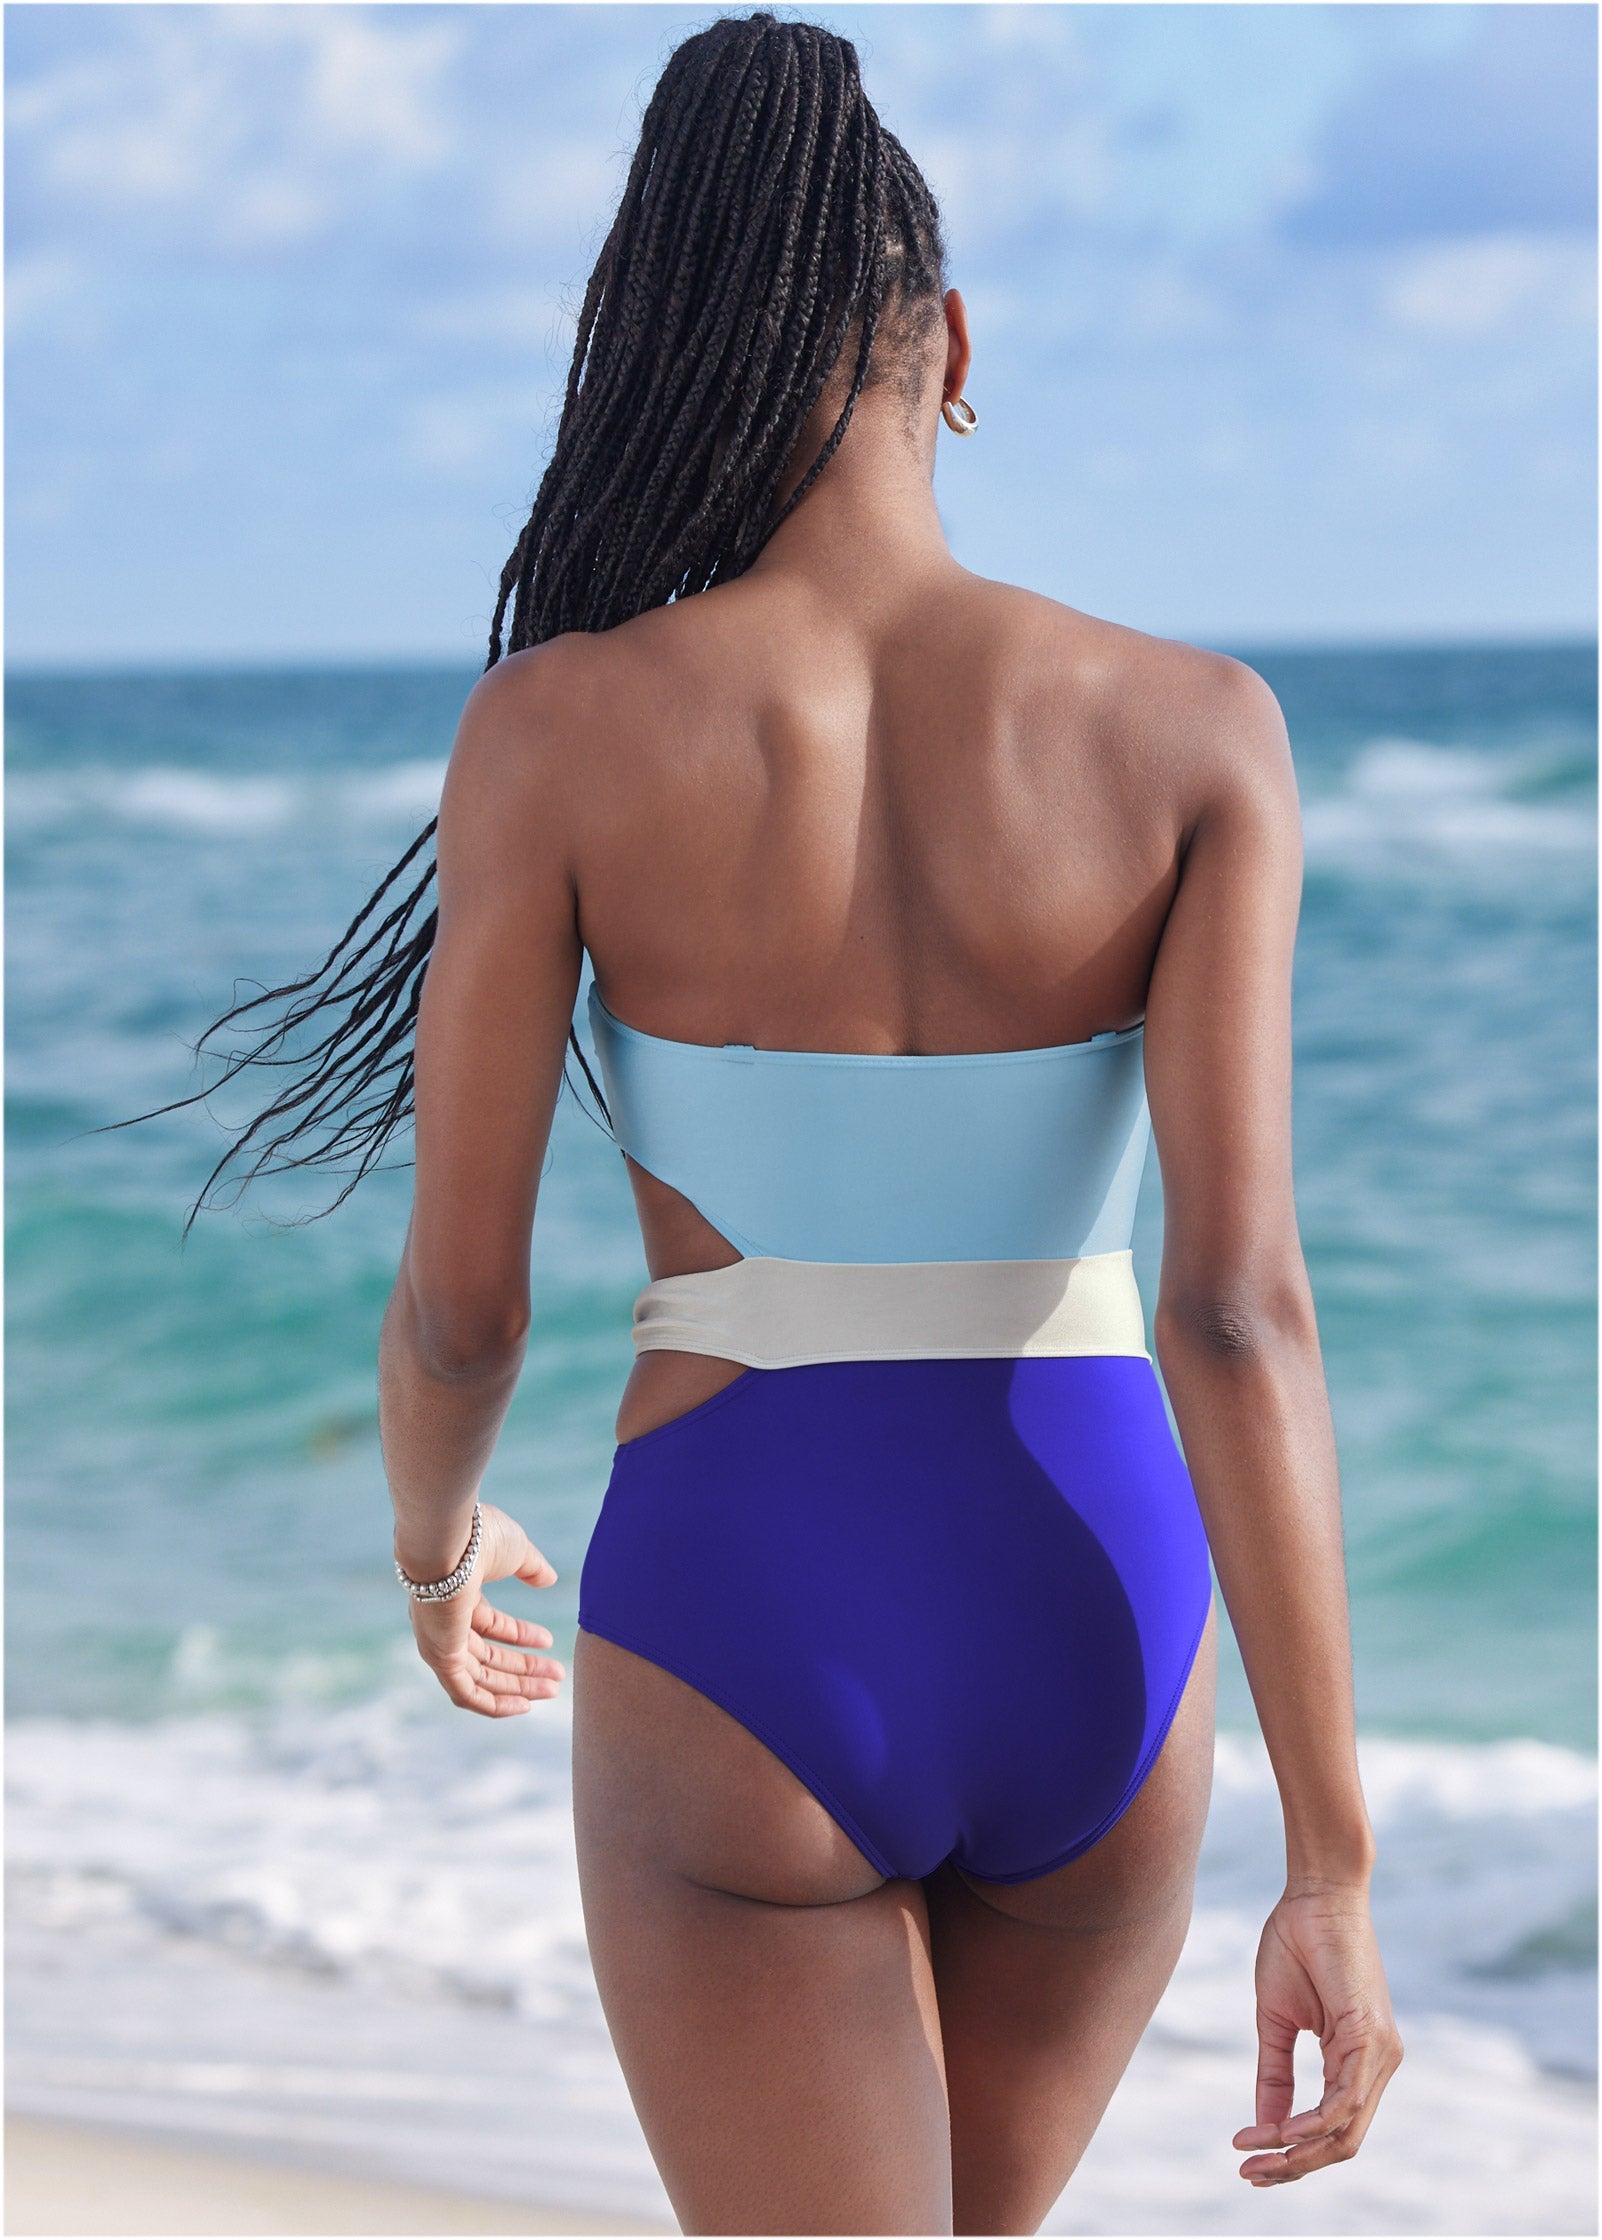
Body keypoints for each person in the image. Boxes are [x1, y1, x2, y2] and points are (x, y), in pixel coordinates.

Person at [170, 15, 1402, 2233]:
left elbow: (462, 1314)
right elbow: (1238, 1314)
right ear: (953, 348)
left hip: (746, 1615)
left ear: (678, 371)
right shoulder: (1199, 731)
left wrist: (437, 1555)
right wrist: (1333, 1861)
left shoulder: (559, 733)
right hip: (1103, 1624)